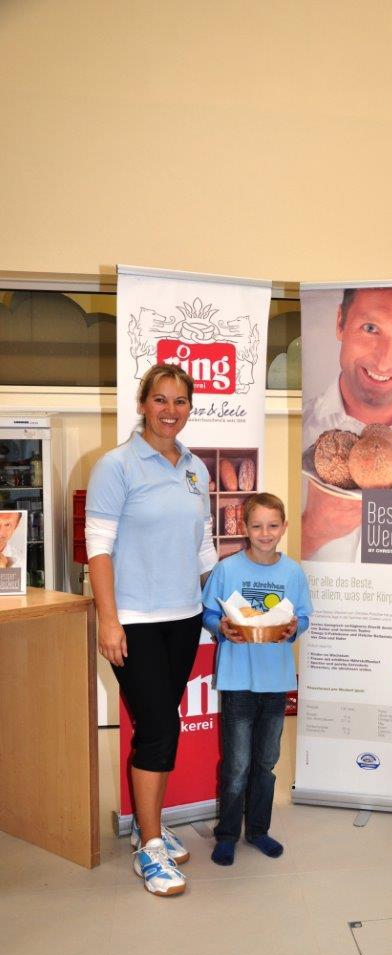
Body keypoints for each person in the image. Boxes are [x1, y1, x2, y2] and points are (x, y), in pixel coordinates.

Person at [86, 363, 217, 896]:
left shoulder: (195, 468)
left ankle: (149, 825)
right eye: (160, 399)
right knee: (159, 728)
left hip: (184, 618)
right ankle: (150, 848)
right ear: (142, 404)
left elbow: (203, 546)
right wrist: (108, 620)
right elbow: (99, 548)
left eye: (180, 401)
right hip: (135, 621)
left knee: (163, 726)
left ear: (189, 408)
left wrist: (222, 605)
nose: (170, 410)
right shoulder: (116, 466)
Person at [202, 492, 312, 867]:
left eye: (272, 525)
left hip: (276, 682)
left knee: (265, 762)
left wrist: (295, 629)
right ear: (244, 528)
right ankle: (227, 835)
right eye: (257, 526)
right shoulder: (227, 570)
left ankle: (259, 830)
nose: (265, 533)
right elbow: (207, 612)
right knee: (236, 765)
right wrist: (221, 628)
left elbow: (304, 617)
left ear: (284, 527)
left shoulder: (292, 573)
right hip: (238, 681)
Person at [302, 285, 392, 561]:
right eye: (370, 328)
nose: (383, 362)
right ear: (340, 322)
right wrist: (310, 531)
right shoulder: (293, 437)